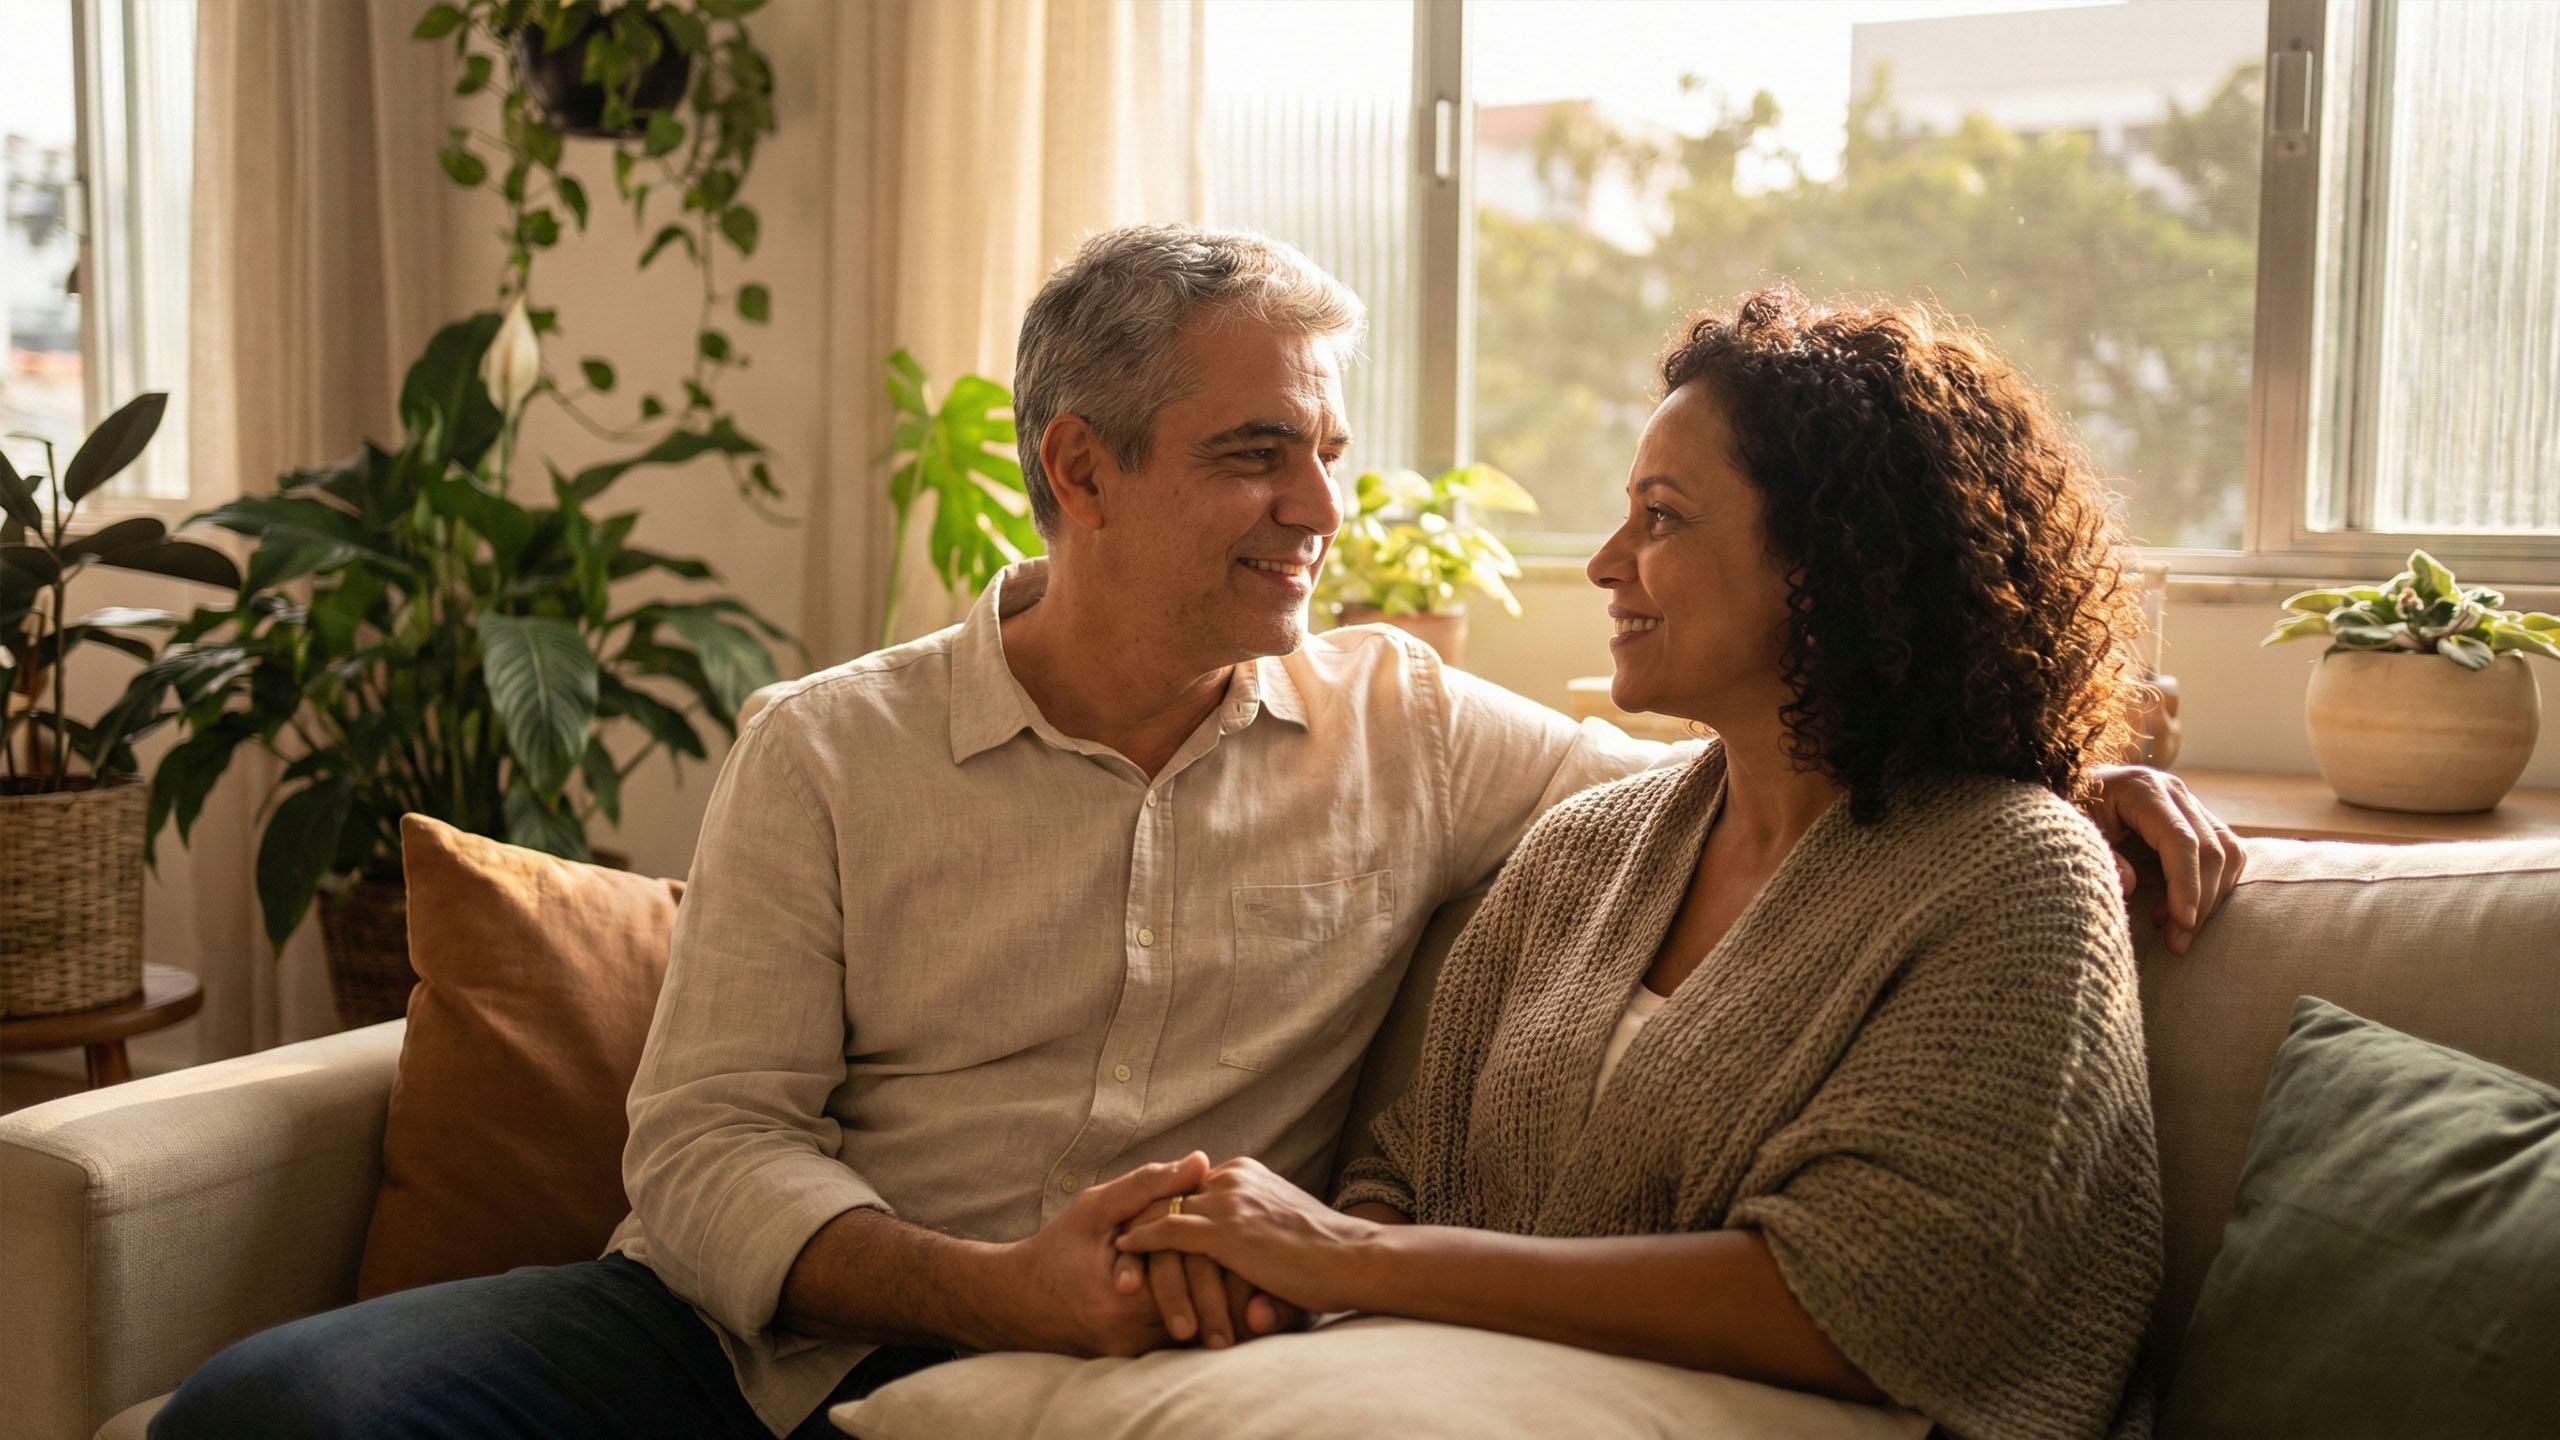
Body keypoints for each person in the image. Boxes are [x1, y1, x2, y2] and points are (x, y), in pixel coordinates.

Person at [154, 229, 2230, 1440]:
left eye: (1326, 456)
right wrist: (987, 1286)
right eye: (1254, 458)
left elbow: (1791, 791)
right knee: (281, 1416)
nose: (1319, 513)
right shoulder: (828, 751)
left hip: (1144, 1385)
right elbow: (702, 1151)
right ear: (1075, 468)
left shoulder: (1414, 735)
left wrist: (2073, 756)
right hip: (750, 1346)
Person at [1111, 286, 2164, 1439]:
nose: (1607, 562)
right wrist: (1305, 1297)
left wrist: (1354, 1260)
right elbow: (1405, 1169)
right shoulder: (1586, 847)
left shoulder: (2012, 879)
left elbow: (1865, 1305)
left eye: (1660, 518)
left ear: (1830, 563)